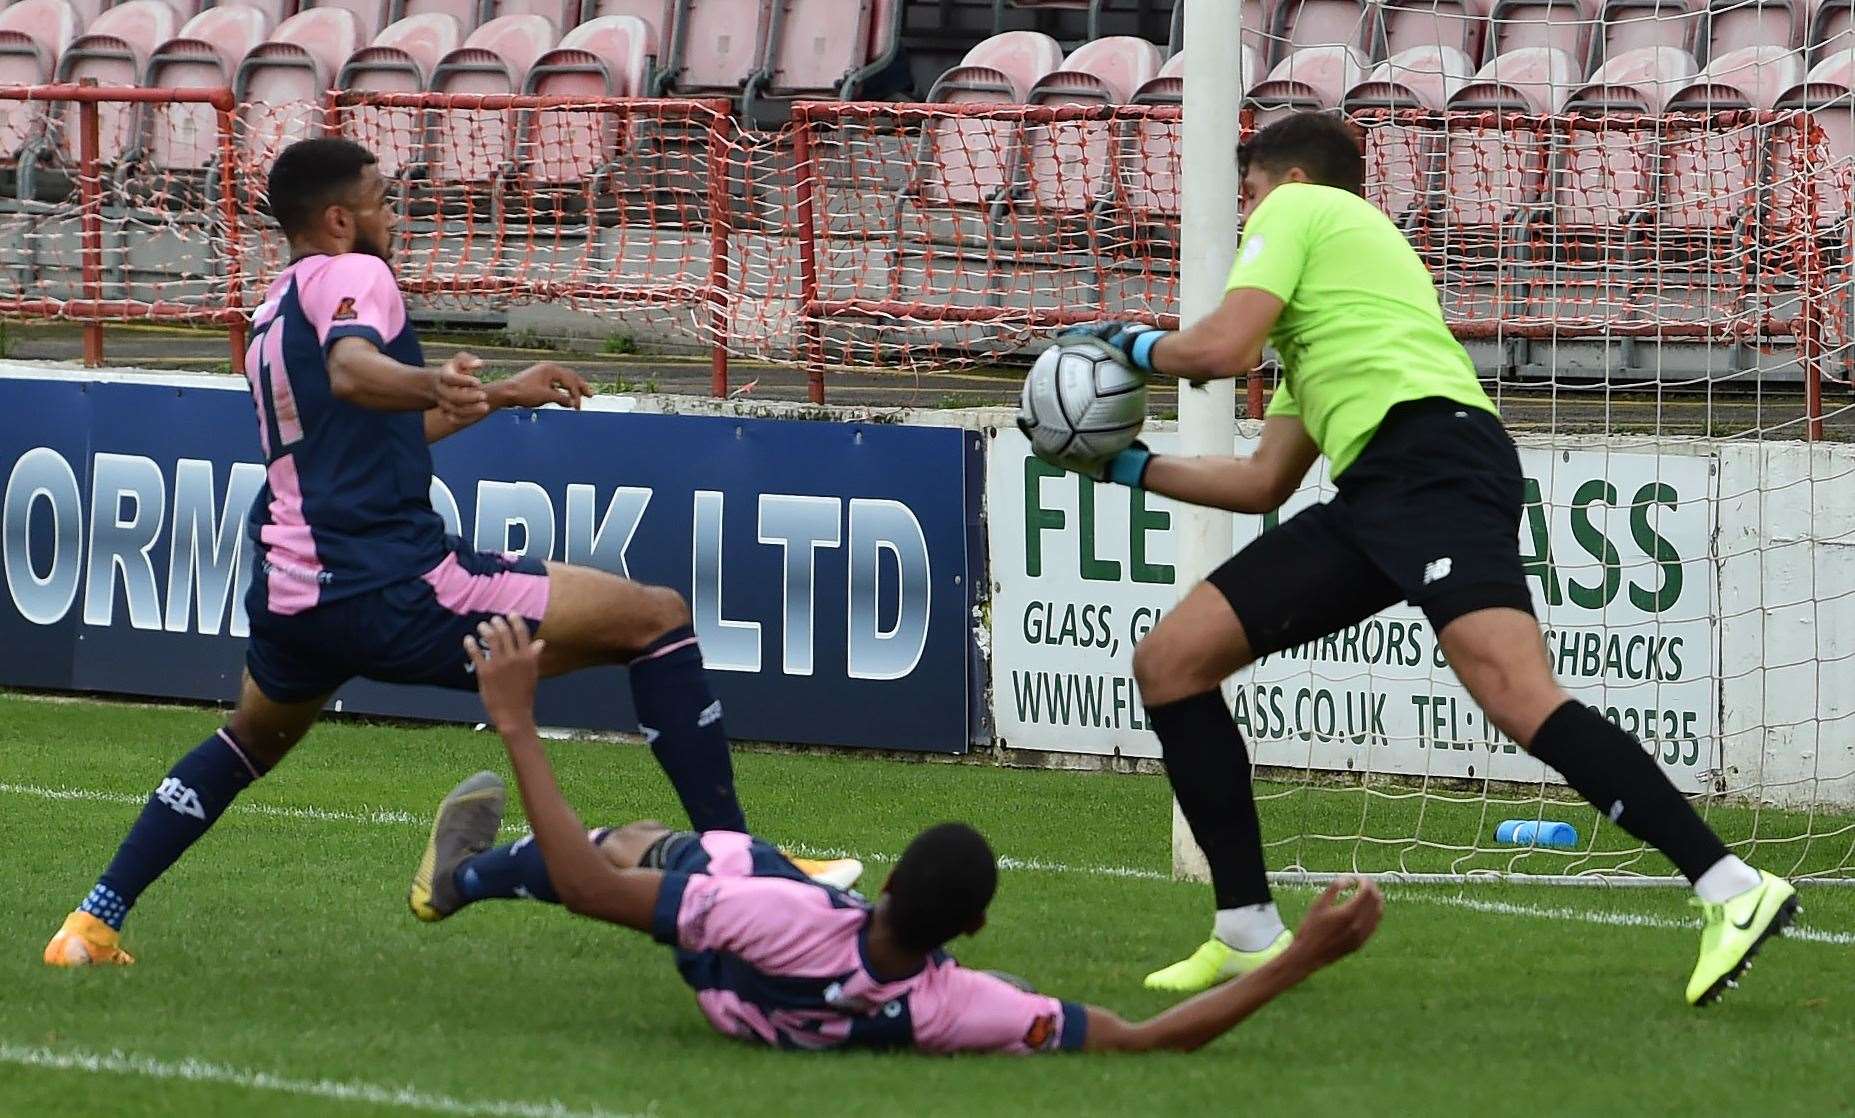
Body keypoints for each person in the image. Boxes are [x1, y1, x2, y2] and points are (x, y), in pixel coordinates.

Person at [45, 138, 854, 968]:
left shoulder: (273, 307)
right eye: (381, 200)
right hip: (391, 581)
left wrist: (496, 395)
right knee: (656, 619)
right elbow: (357, 374)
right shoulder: (357, 276)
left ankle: (93, 919)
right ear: (337, 219)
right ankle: (744, 870)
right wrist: (434, 380)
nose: (392, 217)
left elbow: (365, 437)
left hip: (294, 593)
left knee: (250, 740)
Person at [1050, 111, 1796, 1007]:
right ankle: (1246, 929)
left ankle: (1731, 886)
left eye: (1244, 196)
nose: (1242, 218)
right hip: (1377, 494)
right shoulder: (1332, 309)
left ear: (1282, 184)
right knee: (1171, 661)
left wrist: (1114, 341)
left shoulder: (1299, 211)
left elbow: (1217, 351)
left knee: (1519, 695)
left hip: (1431, 463)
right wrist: (1122, 466)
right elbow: (1261, 483)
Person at [420, 612, 1384, 1053]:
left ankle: (457, 881)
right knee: (632, 856)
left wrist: (515, 722)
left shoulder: (779, 916)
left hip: (738, 952)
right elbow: (1149, 1040)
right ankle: (468, 874)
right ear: (968, 938)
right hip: (762, 1012)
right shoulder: (957, 1012)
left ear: (874, 890)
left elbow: (593, 901)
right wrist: (1300, 955)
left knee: (624, 847)